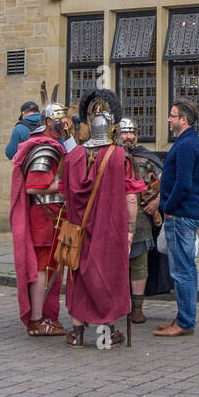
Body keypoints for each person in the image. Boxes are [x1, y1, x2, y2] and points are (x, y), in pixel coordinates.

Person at [60, 91, 144, 347]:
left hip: (78, 229)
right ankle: (106, 335)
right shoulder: (121, 157)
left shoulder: (73, 156)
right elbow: (131, 198)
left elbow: (64, 192)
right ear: (112, 131)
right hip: (109, 231)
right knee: (108, 277)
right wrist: (130, 231)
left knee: (77, 279)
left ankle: (76, 334)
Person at [10, 102, 71, 336]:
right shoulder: (45, 148)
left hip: (53, 216)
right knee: (43, 268)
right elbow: (34, 187)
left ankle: (44, 316)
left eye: (66, 121)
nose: (65, 125)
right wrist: (66, 185)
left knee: (52, 268)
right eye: (61, 121)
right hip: (45, 217)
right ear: (48, 122)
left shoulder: (54, 145)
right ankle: (36, 320)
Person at [154, 98, 199, 338]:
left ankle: (184, 322)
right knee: (186, 270)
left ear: (183, 120)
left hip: (181, 215)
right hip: (184, 213)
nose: (169, 119)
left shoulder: (186, 145)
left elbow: (184, 183)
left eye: (172, 116)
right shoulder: (188, 141)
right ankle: (183, 317)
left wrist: (168, 207)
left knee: (182, 271)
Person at [120, 118, 170, 325]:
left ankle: (137, 308)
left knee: (139, 264)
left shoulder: (146, 157)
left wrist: (157, 200)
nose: (128, 137)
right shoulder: (109, 157)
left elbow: (164, 179)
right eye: (124, 133)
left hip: (140, 218)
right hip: (113, 218)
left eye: (132, 133)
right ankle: (117, 305)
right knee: (116, 265)